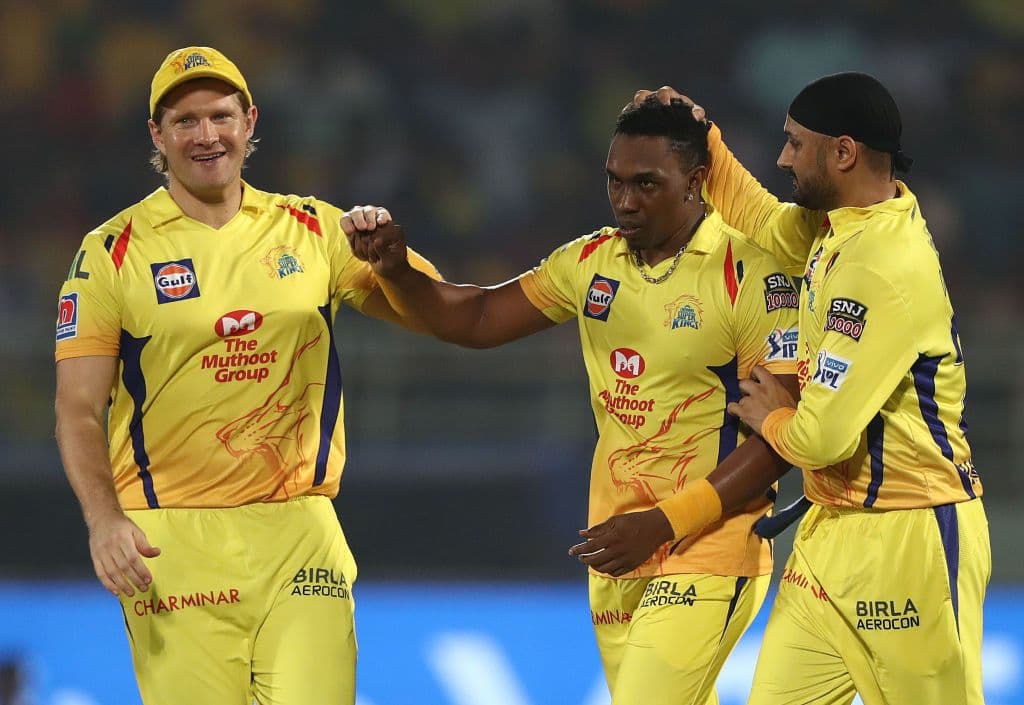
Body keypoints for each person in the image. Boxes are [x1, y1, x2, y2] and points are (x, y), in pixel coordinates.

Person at [343, 99, 801, 704]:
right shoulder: (590, 261)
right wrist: (399, 271)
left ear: (695, 181)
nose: (625, 201)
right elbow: (477, 318)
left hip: (708, 545)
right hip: (617, 545)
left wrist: (663, 523)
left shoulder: (753, 275)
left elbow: (780, 440)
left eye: (646, 184)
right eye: (614, 181)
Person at [53, 46, 438, 705]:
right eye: (185, 121)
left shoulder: (314, 229)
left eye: (221, 116)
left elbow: (433, 312)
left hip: (299, 531)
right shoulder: (111, 252)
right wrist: (104, 520)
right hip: (171, 540)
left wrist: (393, 263)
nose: (207, 135)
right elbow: (77, 409)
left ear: (250, 121)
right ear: (157, 135)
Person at [632, 75, 991, 705]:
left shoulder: (878, 265)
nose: (783, 157)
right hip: (830, 534)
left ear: (843, 152)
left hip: (908, 539)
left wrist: (774, 416)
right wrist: (703, 138)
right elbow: (767, 225)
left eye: (796, 143)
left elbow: (821, 438)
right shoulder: (845, 225)